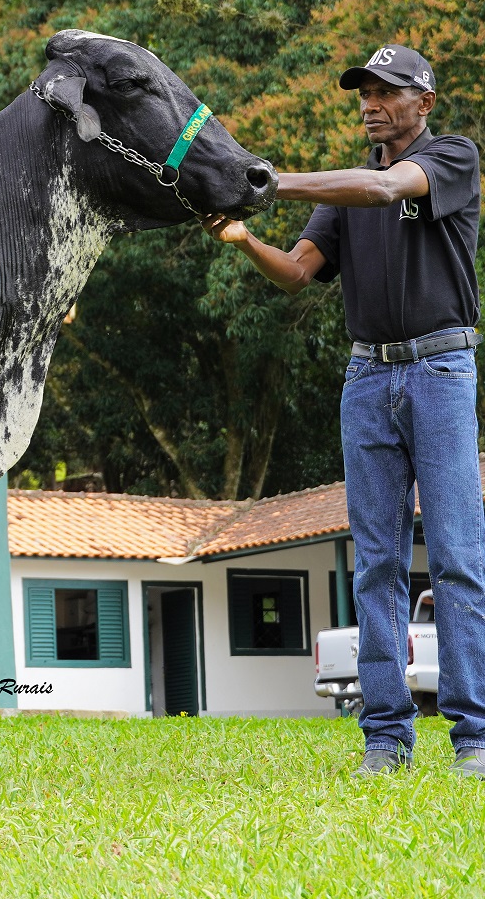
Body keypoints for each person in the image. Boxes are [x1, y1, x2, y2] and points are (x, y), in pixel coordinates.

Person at [203, 44, 485, 778]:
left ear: (423, 102)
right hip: (368, 376)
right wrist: (246, 238)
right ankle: (385, 737)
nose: (370, 101)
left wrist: (274, 181)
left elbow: (387, 190)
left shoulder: (452, 158)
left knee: (455, 557)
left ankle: (474, 737)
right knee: (378, 563)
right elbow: (299, 273)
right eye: (364, 90)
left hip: (441, 368)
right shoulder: (345, 188)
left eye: (387, 90)